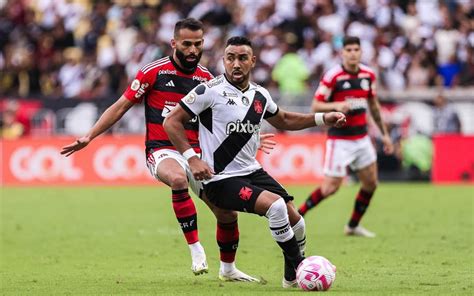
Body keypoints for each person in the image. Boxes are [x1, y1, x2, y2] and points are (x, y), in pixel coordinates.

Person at [61, 18, 269, 281]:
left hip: (197, 154)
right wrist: (90, 136)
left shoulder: (207, 78)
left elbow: (222, 121)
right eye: (187, 44)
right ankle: (196, 250)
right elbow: (121, 106)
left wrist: (253, 137)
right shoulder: (154, 72)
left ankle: (228, 270)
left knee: (227, 213)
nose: (193, 50)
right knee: (178, 179)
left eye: (198, 44)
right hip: (162, 150)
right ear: (174, 43)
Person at [163, 36, 346, 288]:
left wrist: (323, 118)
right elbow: (171, 121)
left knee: (298, 221)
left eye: (242, 58)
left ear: (253, 61)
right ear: (223, 60)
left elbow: (285, 120)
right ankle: (302, 266)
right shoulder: (209, 91)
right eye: (230, 58)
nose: (235, 64)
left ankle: (291, 278)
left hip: (252, 171)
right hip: (219, 179)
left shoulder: (260, 95)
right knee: (276, 207)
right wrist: (192, 159)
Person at [297, 36, 394, 238]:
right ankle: (296, 216)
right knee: (331, 187)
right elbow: (316, 106)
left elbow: (374, 106)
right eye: (348, 49)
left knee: (371, 183)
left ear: (360, 52)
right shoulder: (333, 76)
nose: (352, 53)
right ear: (342, 53)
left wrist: (384, 135)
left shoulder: (368, 75)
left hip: (362, 138)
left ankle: (352, 226)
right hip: (339, 140)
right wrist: (335, 106)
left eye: (356, 49)